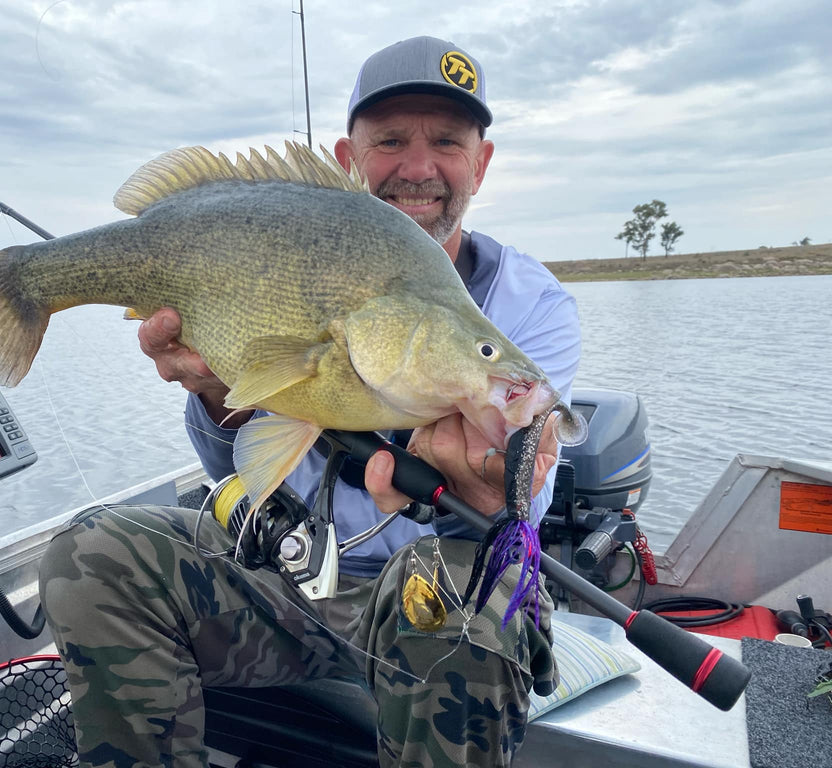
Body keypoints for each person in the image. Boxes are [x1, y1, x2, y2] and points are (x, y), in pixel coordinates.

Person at [40, 35, 581, 768]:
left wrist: (493, 491)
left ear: (480, 163)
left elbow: (526, 504)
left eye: (447, 142)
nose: (418, 167)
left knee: (459, 590)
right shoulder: (291, 243)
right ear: (347, 159)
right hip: (283, 581)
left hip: (426, 597)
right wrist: (217, 395)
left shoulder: (532, 305)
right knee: (93, 553)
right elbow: (241, 463)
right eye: (390, 140)